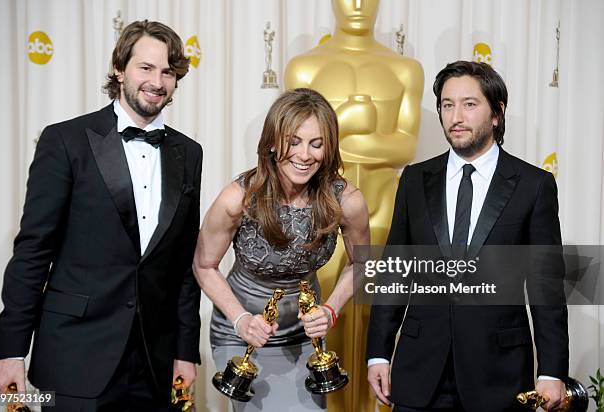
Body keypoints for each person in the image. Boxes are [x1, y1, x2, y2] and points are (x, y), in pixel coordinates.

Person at [0, 20, 203, 411]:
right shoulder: (65, 140)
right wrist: (9, 349)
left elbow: (184, 266)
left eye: (168, 72)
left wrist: (185, 350)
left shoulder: (188, 153)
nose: (157, 81)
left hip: (154, 363)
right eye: (146, 68)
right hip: (75, 355)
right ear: (120, 68)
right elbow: (33, 251)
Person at [366, 61, 569, 411]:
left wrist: (552, 371)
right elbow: (394, 271)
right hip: (419, 371)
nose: (455, 116)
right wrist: (378, 354)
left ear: (497, 113)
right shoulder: (414, 180)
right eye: (447, 105)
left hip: (498, 375)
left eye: (469, 104)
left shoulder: (533, 186)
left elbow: (546, 285)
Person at [193, 88, 370, 411]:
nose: (305, 155)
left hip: (304, 338)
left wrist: (330, 310)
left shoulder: (347, 201)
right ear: (273, 142)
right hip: (240, 333)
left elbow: (361, 264)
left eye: (316, 144)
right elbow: (203, 265)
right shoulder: (238, 198)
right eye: (294, 141)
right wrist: (241, 319)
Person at [284, 1, 424, 409]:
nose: (359, 5)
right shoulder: (303, 67)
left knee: (378, 316)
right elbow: (294, 143)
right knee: (320, 311)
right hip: (317, 209)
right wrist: (354, 117)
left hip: (384, 206)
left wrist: (342, 128)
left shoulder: (404, 68)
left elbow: (407, 144)